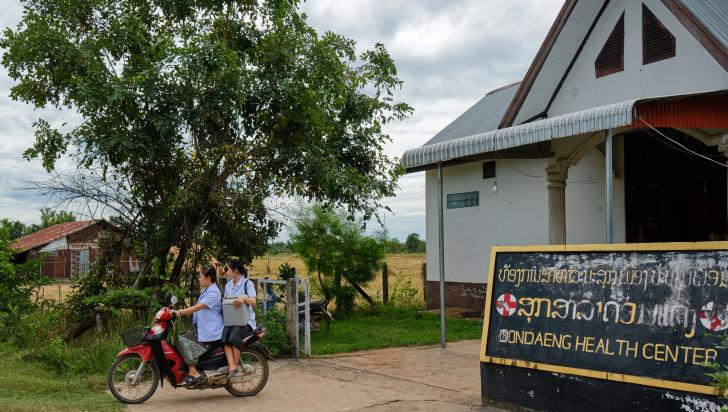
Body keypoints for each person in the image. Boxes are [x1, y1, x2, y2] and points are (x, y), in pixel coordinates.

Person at [172, 265, 224, 385]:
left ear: (209, 278)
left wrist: (180, 312)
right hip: (202, 328)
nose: (199, 279)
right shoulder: (207, 289)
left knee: (182, 340)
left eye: (201, 277)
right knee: (180, 337)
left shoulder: (214, 293)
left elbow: (197, 307)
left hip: (210, 331)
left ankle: (193, 371)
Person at [222, 259, 257, 378]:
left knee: (234, 336)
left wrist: (243, 298)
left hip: (246, 321)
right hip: (232, 320)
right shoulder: (228, 286)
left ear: (235, 270)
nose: (226, 272)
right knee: (225, 336)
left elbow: (253, 302)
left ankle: (235, 366)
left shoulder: (248, 284)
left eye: (228, 269)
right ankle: (232, 366)